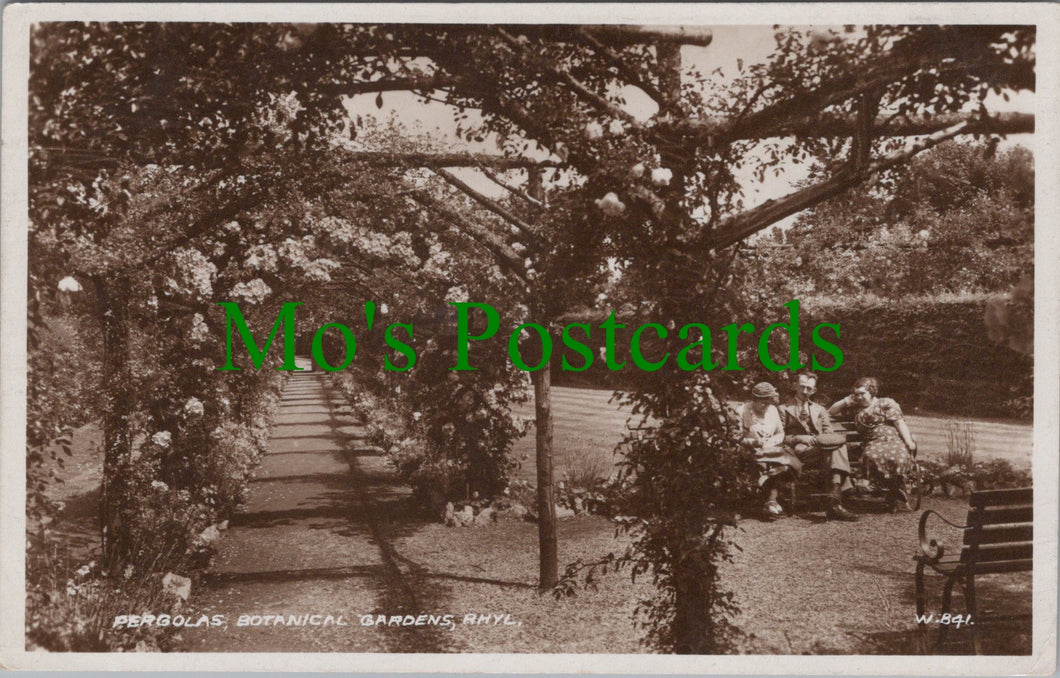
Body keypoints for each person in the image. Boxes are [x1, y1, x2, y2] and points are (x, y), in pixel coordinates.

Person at [829, 377, 918, 512]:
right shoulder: (856, 408)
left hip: (894, 439)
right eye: (856, 394)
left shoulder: (885, 403)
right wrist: (848, 399)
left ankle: (894, 491)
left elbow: (899, 423)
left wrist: (908, 441)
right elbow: (831, 411)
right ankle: (892, 492)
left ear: (872, 391)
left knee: (900, 457)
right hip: (873, 442)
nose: (859, 397)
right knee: (872, 456)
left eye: (862, 393)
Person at [778, 372, 858, 521]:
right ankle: (837, 500)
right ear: (794, 386)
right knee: (838, 449)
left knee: (837, 447)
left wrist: (818, 440)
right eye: (802, 386)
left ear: (814, 390)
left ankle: (834, 502)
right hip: (796, 452)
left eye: (809, 388)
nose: (805, 391)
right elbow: (778, 435)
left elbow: (828, 433)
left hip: (819, 449)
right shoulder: (783, 409)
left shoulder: (819, 410)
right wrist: (798, 439)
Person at [740, 382, 801, 519]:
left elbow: (780, 432)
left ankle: (770, 501)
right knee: (762, 462)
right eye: (763, 402)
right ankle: (770, 501)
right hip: (750, 450)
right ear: (754, 399)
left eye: (769, 402)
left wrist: (771, 442)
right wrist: (753, 442)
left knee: (786, 464)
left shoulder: (772, 410)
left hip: (771, 448)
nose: (766, 406)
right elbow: (736, 437)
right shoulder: (742, 411)